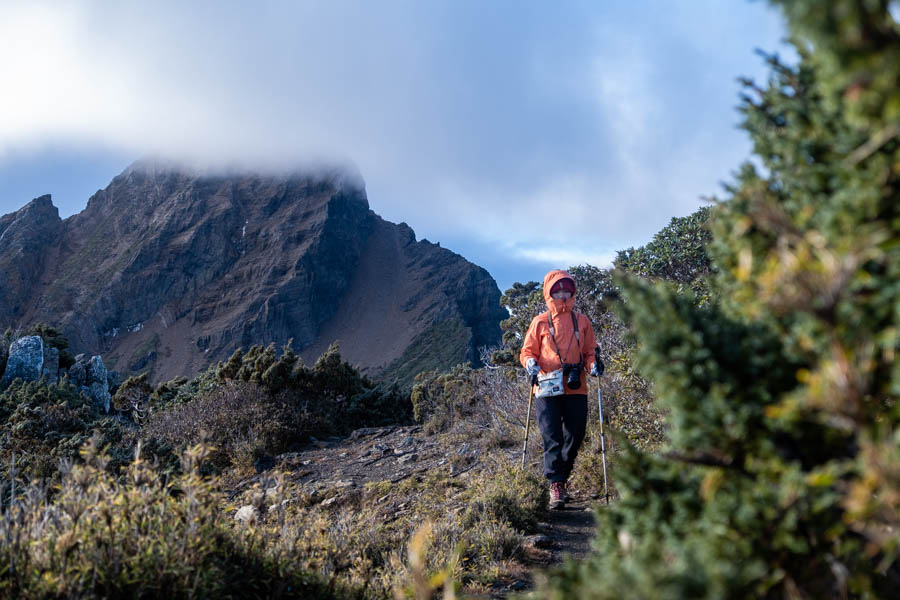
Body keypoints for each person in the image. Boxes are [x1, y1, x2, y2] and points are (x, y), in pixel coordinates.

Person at [520, 269, 598, 509]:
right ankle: (556, 485)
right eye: (557, 289)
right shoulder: (540, 322)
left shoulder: (582, 321)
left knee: (575, 434)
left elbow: (589, 351)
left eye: (566, 289)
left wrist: (593, 364)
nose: (563, 293)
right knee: (551, 436)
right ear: (549, 292)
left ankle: (559, 478)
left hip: (576, 385)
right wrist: (530, 362)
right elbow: (527, 351)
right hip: (546, 387)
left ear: (572, 292)